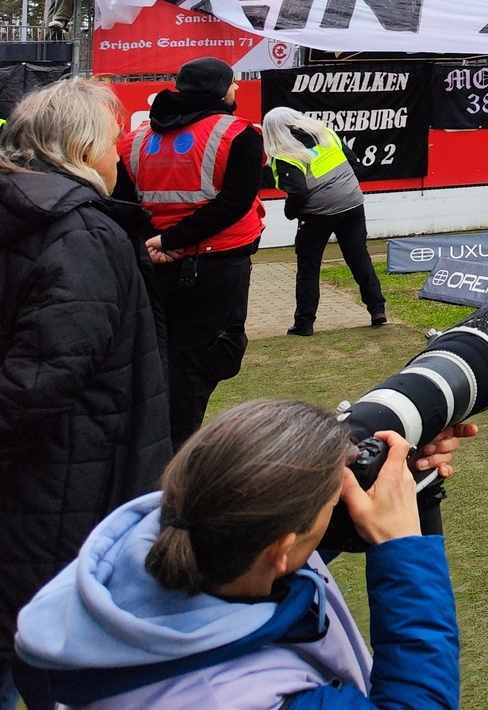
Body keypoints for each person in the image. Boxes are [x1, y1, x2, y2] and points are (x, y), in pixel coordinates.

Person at [12, 398, 471, 710]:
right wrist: (400, 545)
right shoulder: (235, 699)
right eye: (333, 500)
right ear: (279, 550)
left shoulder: (162, 537)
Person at [0, 81, 171, 704]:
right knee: (47, 662)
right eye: (113, 145)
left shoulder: (40, 217)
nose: (120, 159)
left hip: (45, 484)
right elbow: (38, 382)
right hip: (64, 487)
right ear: (79, 150)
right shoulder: (78, 234)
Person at [126, 58, 269, 447]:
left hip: (158, 264)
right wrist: (172, 241)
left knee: (166, 358)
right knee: (205, 360)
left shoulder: (137, 139)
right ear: (220, 91)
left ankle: (158, 444)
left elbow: (125, 201)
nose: (237, 88)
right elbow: (235, 203)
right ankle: (176, 455)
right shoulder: (238, 134)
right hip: (217, 264)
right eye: (232, 83)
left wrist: (156, 242)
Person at [260, 110, 385, 338]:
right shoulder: (326, 133)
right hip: (352, 202)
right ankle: (377, 309)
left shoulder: (285, 155)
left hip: (317, 213)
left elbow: (298, 192)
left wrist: (290, 213)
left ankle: (304, 323)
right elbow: (354, 164)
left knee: (308, 266)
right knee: (358, 256)